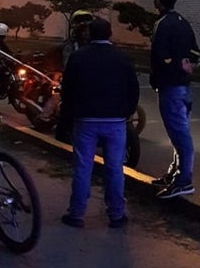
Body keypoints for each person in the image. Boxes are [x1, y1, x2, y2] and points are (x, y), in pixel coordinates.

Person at [58, 17, 139, 230]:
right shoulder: (122, 58)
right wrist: (126, 112)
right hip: (115, 121)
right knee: (114, 168)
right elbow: (133, 89)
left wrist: (67, 118)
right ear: (110, 34)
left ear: (89, 34)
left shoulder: (78, 57)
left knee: (83, 167)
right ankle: (116, 214)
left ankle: (76, 214)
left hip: (85, 120)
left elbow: (67, 91)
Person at [149, 0, 200, 199]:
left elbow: (159, 57)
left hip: (170, 87)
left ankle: (184, 180)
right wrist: (185, 66)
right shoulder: (183, 22)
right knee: (178, 133)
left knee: (180, 135)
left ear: (158, 1)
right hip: (184, 86)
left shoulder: (162, 25)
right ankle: (175, 173)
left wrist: (159, 77)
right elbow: (195, 52)